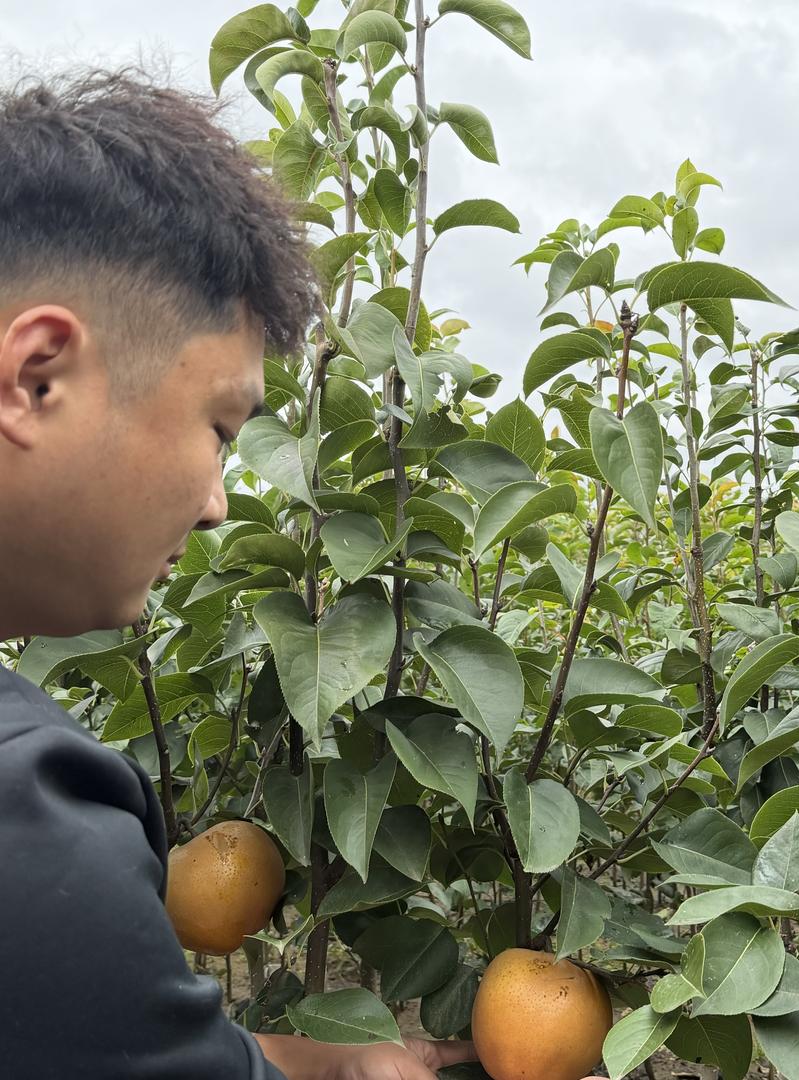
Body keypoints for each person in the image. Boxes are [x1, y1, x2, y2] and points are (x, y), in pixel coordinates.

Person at [0, 67, 479, 1080]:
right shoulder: (31, 816)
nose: (219, 501)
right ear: (37, 377)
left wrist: (337, 1064)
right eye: (220, 427)